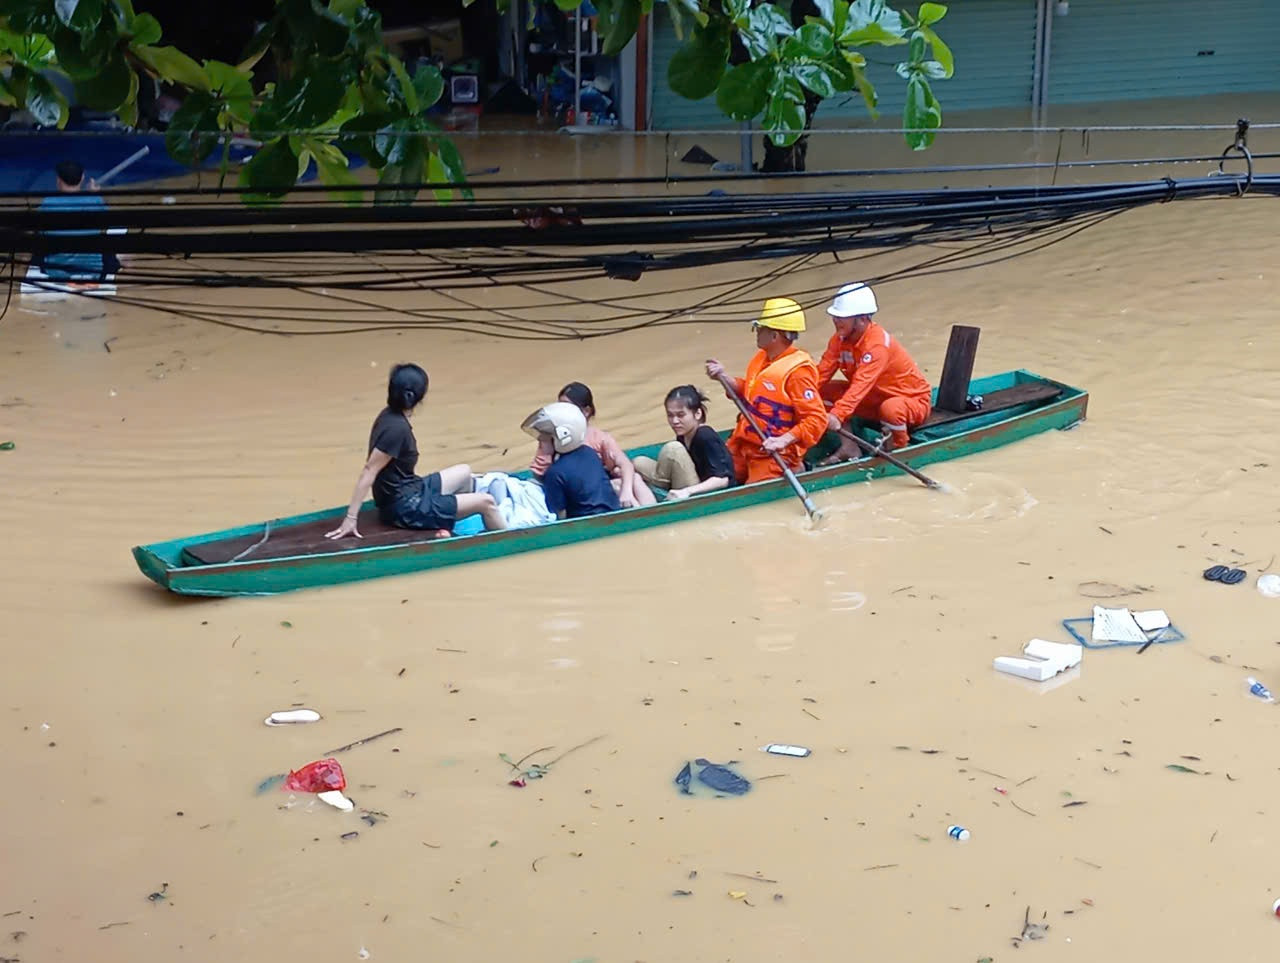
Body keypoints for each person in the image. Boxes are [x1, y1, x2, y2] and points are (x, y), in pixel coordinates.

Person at [325, 363, 506, 540]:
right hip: (404, 508)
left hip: (412, 489)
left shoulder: (389, 415)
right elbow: (369, 470)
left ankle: (449, 525)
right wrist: (351, 518)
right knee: (487, 502)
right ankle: (506, 540)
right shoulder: (397, 429)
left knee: (464, 472)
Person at [705, 297, 828, 484]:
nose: (756, 332)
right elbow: (751, 391)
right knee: (713, 474)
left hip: (772, 453)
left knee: (751, 491)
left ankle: (795, 467)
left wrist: (783, 440)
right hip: (743, 444)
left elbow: (816, 419)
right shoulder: (764, 358)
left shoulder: (798, 373)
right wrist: (723, 377)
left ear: (775, 336)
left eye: (760, 328)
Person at [815, 282, 933, 462]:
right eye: (835, 316)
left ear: (862, 319)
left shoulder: (876, 346)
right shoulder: (838, 340)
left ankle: (899, 446)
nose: (836, 320)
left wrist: (836, 415)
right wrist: (794, 397)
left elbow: (859, 387)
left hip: (909, 401)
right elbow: (820, 374)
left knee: (891, 409)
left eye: (842, 317)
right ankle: (849, 447)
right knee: (821, 392)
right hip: (873, 400)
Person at [530, 381, 656, 508]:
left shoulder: (599, 438)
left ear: (586, 411)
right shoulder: (554, 436)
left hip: (597, 488)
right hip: (571, 489)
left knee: (634, 478)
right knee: (617, 486)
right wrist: (546, 448)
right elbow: (541, 475)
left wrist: (626, 491)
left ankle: (650, 513)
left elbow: (625, 464)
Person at [632, 385, 735, 500]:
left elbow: (723, 480)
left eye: (681, 415)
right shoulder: (683, 434)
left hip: (702, 490)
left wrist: (686, 491)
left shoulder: (705, 436)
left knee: (673, 449)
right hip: (687, 480)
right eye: (670, 415)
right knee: (638, 462)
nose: (675, 421)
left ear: (697, 414)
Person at [521, 401, 620, 519]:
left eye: (547, 438)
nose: (542, 441)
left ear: (563, 437)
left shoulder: (555, 472)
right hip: (613, 510)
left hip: (586, 524)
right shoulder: (590, 453)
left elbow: (560, 515)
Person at [37, 160, 121, 281]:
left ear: (58, 180)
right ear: (82, 178)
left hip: (55, 272)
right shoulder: (96, 201)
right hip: (93, 271)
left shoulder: (47, 204)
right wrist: (94, 196)